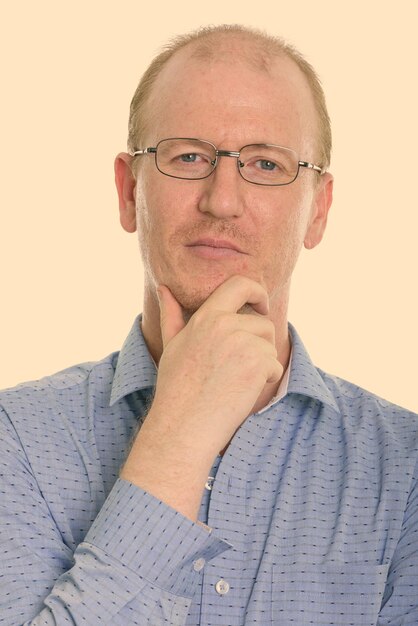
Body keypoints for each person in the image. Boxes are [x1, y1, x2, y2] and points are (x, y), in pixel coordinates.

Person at [0, 23, 417, 626]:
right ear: (127, 191)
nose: (222, 199)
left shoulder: (403, 471)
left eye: (266, 164)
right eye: (189, 156)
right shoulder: (16, 444)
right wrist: (179, 435)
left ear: (318, 210)